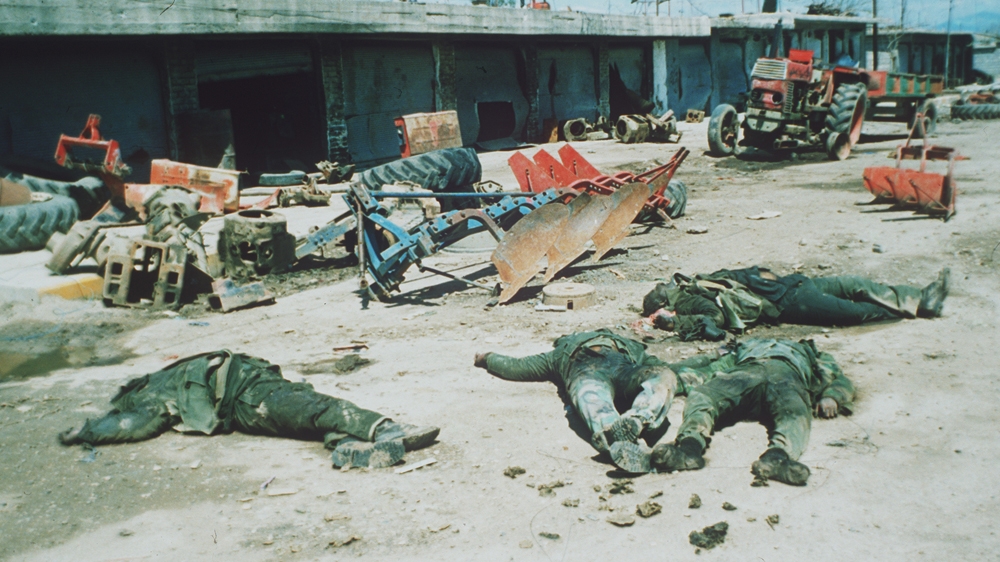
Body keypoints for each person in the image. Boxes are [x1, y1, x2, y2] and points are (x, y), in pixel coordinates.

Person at [58, 350, 439, 469]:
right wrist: (89, 431)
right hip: (245, 395)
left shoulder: (153, 388)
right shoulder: (159, 383)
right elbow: (133, 421)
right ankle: (368, 437)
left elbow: (133, 422)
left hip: (247, 389)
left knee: (308, 411)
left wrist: (87, 431)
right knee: (308, 413)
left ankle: (368, 436)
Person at [473, 329, 716, 473]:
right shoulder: (558, 354)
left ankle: (634, 421)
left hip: (620, 371)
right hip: (588, 372)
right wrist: (489, 358)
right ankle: (616, 437)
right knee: (591, 395)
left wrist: (487, 357)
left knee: (660, 378)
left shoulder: (630, 347)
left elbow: (516, 366)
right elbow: (519, 367)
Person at [623, 338, 853, 485]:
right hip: (747, 372)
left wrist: (833, 396)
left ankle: (777, 458)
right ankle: (689, 449)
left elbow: (838, 377)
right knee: (704, 394)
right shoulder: (745, 348)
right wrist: (667, 378)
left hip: (787, 375)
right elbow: (709, 369)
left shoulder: (813, 354)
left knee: (796, 414)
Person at [637, 266, 950, 341]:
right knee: (854, 305)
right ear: (666, 299)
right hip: (789, 296)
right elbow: (713, 319)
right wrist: (674, 322)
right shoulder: (691, 299)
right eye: (662, 287)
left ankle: (921, 299)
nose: (665, 282)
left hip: (793, 286)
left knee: (854, 291)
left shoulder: (694, 283)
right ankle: (920, 303)